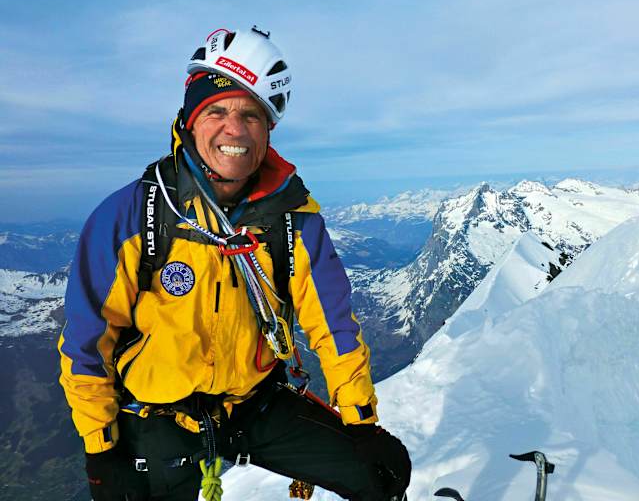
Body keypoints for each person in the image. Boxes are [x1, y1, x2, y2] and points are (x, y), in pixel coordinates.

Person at [58, 26, 411, 501]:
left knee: (382, 472)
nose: (235, 129)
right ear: (190, 120)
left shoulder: (293, 219)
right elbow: (87, 341)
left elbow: (333, 326)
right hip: (157, 415)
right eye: (217, 111)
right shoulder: (131, 217)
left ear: (268, 129)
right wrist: (100, 448)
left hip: (253, 403)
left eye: (251, 114)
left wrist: (361, 422)